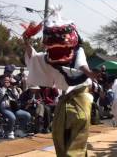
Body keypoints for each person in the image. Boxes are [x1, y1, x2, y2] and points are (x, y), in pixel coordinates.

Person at [22, 10, 96, 156]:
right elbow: (33, 59)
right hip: (65, 98)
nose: (57, 40)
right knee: (58, 132)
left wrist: (91, 74)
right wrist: (26, 41)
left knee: (77, 135)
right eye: (52, 36)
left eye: (61, 36)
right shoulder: (48, 57)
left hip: (81, 95)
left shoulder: (77, 51)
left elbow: (82, 66)